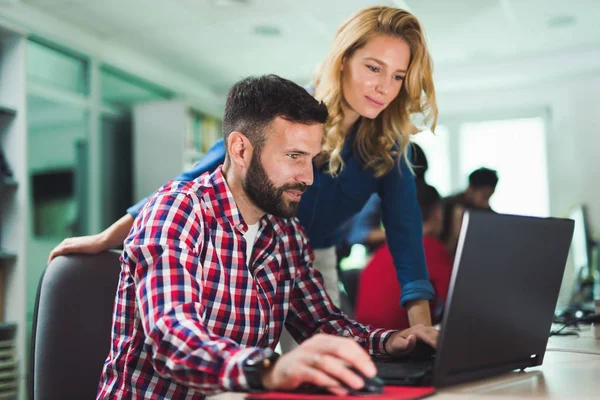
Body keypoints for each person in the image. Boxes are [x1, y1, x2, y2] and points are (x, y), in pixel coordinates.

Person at [50, 5, 439, 334]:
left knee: (331, 358)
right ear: (343, 61)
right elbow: (193, 181)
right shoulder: (293, 114)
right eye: (374, 67)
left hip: (313, 257)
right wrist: (106, 237)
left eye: (398, 76)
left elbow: (405, 233)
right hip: (254, 245)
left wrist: (420, 326)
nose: (384, 87)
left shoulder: (389, 148)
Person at [96, 75, 435, 399]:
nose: (309, 178)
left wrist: (391, 342)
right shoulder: (177, 211)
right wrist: (269, 370)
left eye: (311, 159)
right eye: (293, 156)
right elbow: (172, 337)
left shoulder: (287, 234)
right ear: (240, 150)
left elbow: (322, 324)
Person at [354, 182, 453, 330]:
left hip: (365, 339)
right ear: (438, 213)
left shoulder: (383, 250)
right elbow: (455, 302)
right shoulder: (431, 248)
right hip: (401, 343)